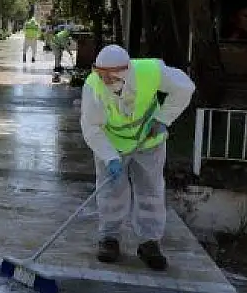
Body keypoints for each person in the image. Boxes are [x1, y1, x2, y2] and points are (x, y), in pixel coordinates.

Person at [80, 44, 195, 271]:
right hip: (112, 146)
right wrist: (110, 157)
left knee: (150, 191)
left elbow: (185, 88)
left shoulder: (150, 72)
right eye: (100, 74)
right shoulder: (93, 86)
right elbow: (91, 127)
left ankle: (149, 242)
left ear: (124, 71)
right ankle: (109, 239)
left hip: (148, 142)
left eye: (109, 76)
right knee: (111, 192)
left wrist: (163, 119)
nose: (104, 80)